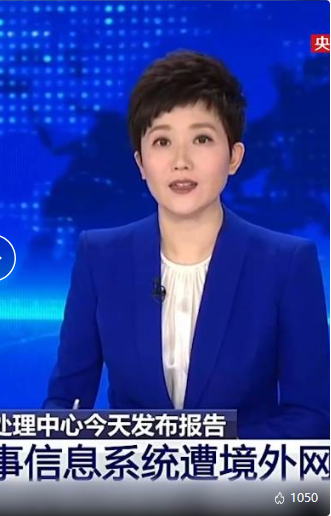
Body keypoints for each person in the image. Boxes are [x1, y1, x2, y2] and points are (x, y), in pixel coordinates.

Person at [43, 50, 330, 439]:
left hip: (242, 477)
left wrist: (209, 458)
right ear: (141, 163)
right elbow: (64, 405)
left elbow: (310, 417)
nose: (181, 161)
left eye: (201, 139)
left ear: (234, 157)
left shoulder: (288, 263)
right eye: (162, 141)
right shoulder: (100, 257)